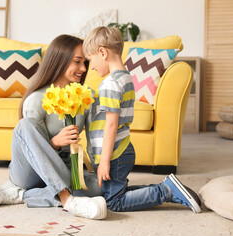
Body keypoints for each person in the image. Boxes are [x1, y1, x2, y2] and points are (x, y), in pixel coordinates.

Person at [0, 34, 107, 220]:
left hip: (64, 170)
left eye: (85, 63)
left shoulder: (87, 96)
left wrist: (100, 168)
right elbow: (31, 148)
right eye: (77, 62)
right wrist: (55, 143)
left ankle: (21, 195)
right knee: (24, 125)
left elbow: (94, 139)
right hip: (29, 173)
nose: (83, 69)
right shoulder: (36, 100)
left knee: (104, 186)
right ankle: (68, 201)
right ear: (60, 60)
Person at [82, 26, 202, 213]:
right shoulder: (126, 77)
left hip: (114, 155)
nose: (92, 67)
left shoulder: (110, 84)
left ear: (103, 52)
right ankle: (168, 187)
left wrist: (104, 161)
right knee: (114, 193)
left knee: (114, 202)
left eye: (91, 60)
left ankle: (166, 191)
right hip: (122, 150)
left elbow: (111, 124)